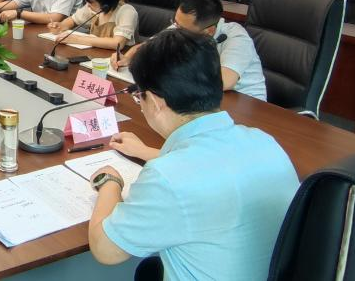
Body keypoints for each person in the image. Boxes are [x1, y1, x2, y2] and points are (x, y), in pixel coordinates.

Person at [87, 29, 298, 280]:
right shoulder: (265, 143)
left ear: (155, 101)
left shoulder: (167, 178)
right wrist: (145, 152)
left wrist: (110, 182)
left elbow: (105, 250)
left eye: (138, 96)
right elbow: (213, 168)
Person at [111, 0, 266, 100]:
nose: (175, 29)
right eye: (175, 23)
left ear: (209, 31)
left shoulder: (236, 38)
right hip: (203, 97)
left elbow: (224, 81)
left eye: (181, 28)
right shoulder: (182, 25)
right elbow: (147, 48)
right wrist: (128, 58)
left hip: (245, 104)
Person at [47, 0, 138, 49]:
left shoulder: (126, 12)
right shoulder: (93, 7)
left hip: (117, 60)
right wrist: (61, 26)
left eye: (91, 2)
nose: (87, 5)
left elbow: (117, 43)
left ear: (105, 1)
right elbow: (73, 20)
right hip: (95, 56)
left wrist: (77, 39)